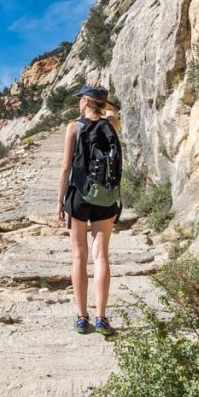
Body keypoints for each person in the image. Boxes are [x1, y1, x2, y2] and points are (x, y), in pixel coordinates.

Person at [56, 82, 121, 336]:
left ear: (84, 101)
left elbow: (65, 168)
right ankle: (102, 318)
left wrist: (59, 201)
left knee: (79, 257)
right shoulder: (111, 125)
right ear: (103, 104)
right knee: (101, 256)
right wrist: (106, 102)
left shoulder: (74, 127)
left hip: (79, 197)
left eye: (80, 98)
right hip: (106, 197)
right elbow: (113, 114)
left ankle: (82, 318)